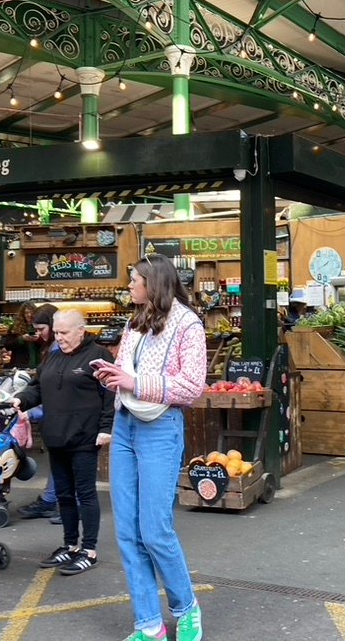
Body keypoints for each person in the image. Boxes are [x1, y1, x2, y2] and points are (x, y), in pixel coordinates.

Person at [93, 255, 206, 641]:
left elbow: (192, 387)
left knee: (155, 530)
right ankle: (148, 624)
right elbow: (129, 374)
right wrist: (114, 379)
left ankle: (186, 607)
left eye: (134, 280)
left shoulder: (188, 324)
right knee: (127, 531)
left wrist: (133, 381)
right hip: (125, 426)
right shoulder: (134, 321)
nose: (128, 286)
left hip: (160, 428)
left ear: (153, 284)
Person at [13, 310, 114, 574]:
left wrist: (106, 428)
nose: (59, 338)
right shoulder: (52, 356)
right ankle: (70, 546)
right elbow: (37, 387)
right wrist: (21, 399)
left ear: (81, 330)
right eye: (56, 333)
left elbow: (110, 395)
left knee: (86, 495)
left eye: (64, 333)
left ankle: (88, 550)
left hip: (84, 437)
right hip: (56, 436)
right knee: (65, 495)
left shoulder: (99, 356)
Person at [17, 303, 63, 522]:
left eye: (40, 329)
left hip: (60, 413)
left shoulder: (56, 348)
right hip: (56, 412)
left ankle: (62, 503)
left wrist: (35, 411)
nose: (38, 334)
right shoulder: (52, 347)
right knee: (59, 460)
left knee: (64, 461)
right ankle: (51, 499)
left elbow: (54, 388)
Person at [4, 301, 39, 368]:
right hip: (20, 365)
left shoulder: (40, 325)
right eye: (26, 313)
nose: (29, 315)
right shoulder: (15, 327)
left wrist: (39, 338)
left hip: (37, 364)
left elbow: (46, 343)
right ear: (22, 314)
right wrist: (21, 339)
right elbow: (7, 345)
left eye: (31, 312)